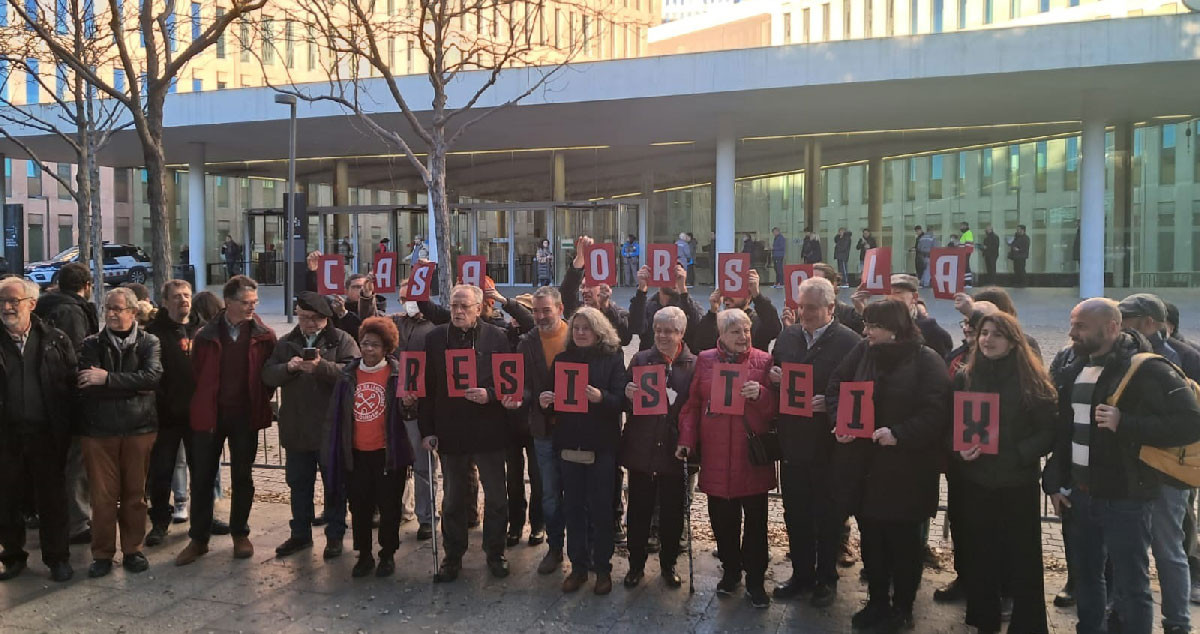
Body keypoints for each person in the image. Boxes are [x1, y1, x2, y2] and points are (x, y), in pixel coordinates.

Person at [1043, 298, 1200, 634]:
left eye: (1080, 326)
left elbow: (1191, 423)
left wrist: (1126, 422)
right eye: (1072, 324)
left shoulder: (1149, 369)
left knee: (1131, 586)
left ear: (1112, 327)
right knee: (1087, 579)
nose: (1071, 333)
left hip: (1127, 499)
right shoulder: (1075, 369)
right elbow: (1065, 433)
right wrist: (1054, 483)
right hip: (1080, 497)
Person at [828, 298, 951, 632]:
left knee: (905, 545)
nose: (865, 331)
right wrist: (841, 421)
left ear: (895, 328)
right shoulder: (863, 352)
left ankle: (903, 606)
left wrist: (900, 433)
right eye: (866, 324)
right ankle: (877, 601)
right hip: (866, 470)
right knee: (873, 541)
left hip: (907, 472)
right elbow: (837, 385)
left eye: (873, 326)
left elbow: (937, 411)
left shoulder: (926, 360)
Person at [952, 312, 1055, 634]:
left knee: (1022, 559)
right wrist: (960, 450)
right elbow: (952, 424)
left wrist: (1019, 453)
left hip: (1017, 484)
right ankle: (985, 621)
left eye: (996, 334)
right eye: (984, 333)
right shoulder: (965, 376)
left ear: (1012, 342)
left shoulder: (1031, 380)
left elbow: (1049, 431)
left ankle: (1027, 625)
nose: (987, 340)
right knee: (981, 556)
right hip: (976, 482)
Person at [677, 309, 778, 608]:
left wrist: (760, 395)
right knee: (723, 521)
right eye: (735, 332)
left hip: (751, 458)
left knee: (757, 523)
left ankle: (757, 580)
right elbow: (693, 405)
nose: (743, 337)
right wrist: (685, 440)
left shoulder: (764, 361)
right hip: (717, 456)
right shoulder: (706, 360)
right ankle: (732, 571)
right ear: (720, 335)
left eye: (746, 331)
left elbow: (776, 410)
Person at [769, 277, 861, 606]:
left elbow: (860, 392)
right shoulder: (788, 336)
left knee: (827, 515)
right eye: (801, 306)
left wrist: (831, 402)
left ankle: (826, 578)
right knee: (796, 513)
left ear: (830, 308)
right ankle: (802, 574)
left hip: (828, 445)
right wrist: (774, 377)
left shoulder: (851, 342)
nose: (804, 313)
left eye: (811, 308)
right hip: (793, 442)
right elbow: (776, 371)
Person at [176, 275, 278, 566]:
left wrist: (259, 397)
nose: (251, 307)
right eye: (246, 303)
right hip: (210, 415)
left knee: (243, 476)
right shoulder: (206, 334)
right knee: (203, 478)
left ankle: (239, 533)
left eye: (254, 302)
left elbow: (268, 375)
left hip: (245, 415)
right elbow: (197, 373)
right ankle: (199, 538)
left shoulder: (264, 335)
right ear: (229, 302)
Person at [418, 284, 515, 582]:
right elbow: (427, 388)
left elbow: (509, 383)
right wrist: (427, 430)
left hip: (489, 431)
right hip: (451, 431)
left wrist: (490, 394)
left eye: (464, 307)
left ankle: (495, 551)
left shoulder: (497, 337)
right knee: (453, 499)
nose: (458, 311)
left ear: (479, 307)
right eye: (454, 306)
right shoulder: (435, 338)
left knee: (497, 497)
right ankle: (453, 555)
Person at [1117, 293, 1196, 634]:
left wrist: (1128, 425)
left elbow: (1189, 423)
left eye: (1127, 318)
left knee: (1168, 550)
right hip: (1137, 467)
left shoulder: (1179, 360)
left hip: (1166, 471)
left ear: (1149, 322)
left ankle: (1176, 622)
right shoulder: (1127, 354)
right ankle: (1129, 615)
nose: (1120, 325)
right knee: (1134, 549)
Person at [537, 307, 627, 595]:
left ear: (599, 330)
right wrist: (545, 400)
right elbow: (550, 395)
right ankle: (577, 567)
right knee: (573, 508)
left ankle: (602, 569)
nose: (580, 333)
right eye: (576, 328)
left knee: (601, 511)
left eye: (586, 328)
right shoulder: (563, 359)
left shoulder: (612, 358)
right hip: (569, 444)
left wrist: (602, 397)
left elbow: (622, 400)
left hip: (601, 446)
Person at [263, 292, 358, 559]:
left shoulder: (342, 340)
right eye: (305, 318)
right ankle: (300, 534)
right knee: (299, 484)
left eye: (316, 319)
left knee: (334, 486)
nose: (310, 324)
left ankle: (335, 535)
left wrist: (321, 367)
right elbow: (268, 375)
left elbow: (353, 374)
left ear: (326, 319)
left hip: (331, 428)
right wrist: (289, 368)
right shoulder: (287, 342)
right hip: (297, 427)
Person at [76, 286, 163, 578]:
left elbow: (152, 378)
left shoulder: (149, 342)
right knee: (102, 497)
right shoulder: (91, 344)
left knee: (135, 495)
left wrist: (108, 379)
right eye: (108, 309)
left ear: (133, 312)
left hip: (139, 429)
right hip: (99, 432)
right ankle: (102, 553)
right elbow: (87, 383)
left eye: (117, 309)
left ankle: (133, 550)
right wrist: (129, 385)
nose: (111, 314)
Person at [0, 277, 78, 582]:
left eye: (13, 301)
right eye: (2, 301)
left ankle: (58, 558)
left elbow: (70, 384)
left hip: (46, 433)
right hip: (6, 434)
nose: (6, 307)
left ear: (32, 304)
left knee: (52, 499)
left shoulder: (55, 339)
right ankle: (13, 555)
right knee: (7, 498)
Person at [326, 317, 415, 577]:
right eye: (365, 344)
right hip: (355, 454)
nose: (368, 350)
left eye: (375, 345)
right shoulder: (347, 376)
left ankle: (387, 554)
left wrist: (409, 404)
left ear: (386, 348)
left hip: (388, 454)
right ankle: (363, 554)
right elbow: (337, 415)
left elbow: (408, 416)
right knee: (360, 508)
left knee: (389, 508)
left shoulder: (398, 374)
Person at [621, 306, 695, 589]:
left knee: (673, 513)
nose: (663, 336)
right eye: (658, 330)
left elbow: (696, 407)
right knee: (638, 510)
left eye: (670, 331)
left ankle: (669, 564)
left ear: (681, 334)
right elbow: (625, 400)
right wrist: (628, 395)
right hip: (642, 448)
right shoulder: (640, 359)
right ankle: (635, 565)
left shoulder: (694, 364)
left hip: (674, 451)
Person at [31, 261, 98, 545]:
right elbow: (76, 354)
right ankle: (77, 521)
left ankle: (42, 511)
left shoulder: (46, 306)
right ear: (87, 286)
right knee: (74, 457)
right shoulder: (72, 311)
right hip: (64, 396)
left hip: (43, 396)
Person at [518, 286, 569, 575]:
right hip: (543, 430)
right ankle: (554, 547)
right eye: (535, 311)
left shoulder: (577, 337)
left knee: (576, 491)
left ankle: (581, 547)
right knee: (549, 493)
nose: (539, 316)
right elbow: (521, 384)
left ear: (560, 309)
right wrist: (528, 398)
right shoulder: (526, 342)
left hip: (573, 428)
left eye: (545, 310)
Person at [144, 280, 200, 547]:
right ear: (165, 302)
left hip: (198, 415)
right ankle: (159, 522)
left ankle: (204, 517)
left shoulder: (202, 329)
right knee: (162, 471)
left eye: (187, 295)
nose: (183, 300)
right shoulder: (153, 333)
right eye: (177, 297)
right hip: (165, 416)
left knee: (202, 469)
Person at [390, 285, 438, 542]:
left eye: (411, 298)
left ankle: (427, 517)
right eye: (402, 299)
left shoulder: (433, 326)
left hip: (423, 403)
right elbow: (367, 322)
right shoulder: (397, 323)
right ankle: (400, 509)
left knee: (423, 465)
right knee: (397, 463)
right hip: (398, 399)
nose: (407, 303)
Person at [561, 236, 632, 345]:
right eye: (582, 287)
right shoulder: (577, 311)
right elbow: (566, 293)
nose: (584, 291)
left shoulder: (619, 313)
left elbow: (624, 338)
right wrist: (580, 258)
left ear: (603, 287)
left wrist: (606, 307)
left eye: (589, 286)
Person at [693, 267, 781, 352]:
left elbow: (774, 328)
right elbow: (701, 344)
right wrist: (712, 312)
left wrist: (757, 296)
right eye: (726, 290)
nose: (727, 296)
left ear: (749, 296)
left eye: (735, 290)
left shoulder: (757, 321)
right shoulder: (717, 320)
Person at [630, 261, 703, 352]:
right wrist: (641, 290)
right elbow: (635, 328)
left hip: (681, 361)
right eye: (670, 276)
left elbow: (699, 329)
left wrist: (683, 291)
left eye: (678, 277)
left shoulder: (688, 304)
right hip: (652, 362)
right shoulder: (648, 305)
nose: (674, 281)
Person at [810, 263, 864, 335]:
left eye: (817, 283)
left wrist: (861, 311)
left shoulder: (847, 313)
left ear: (832, 285)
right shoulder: (798, 315)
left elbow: (865, 336)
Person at [330, 273, 379, 341]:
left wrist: (367, 297)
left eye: (364, 286)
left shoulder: (376, 310)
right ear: (346, 291)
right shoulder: (336, 309)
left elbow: (367, 331)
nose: (362, 290)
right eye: (357, 287)